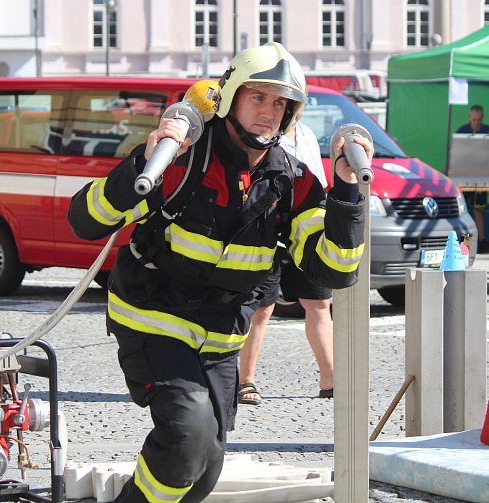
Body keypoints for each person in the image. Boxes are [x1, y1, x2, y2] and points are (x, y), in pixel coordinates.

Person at [68, 42, 370, 503]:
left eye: (281, 102)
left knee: (205, 464)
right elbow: (86, 220)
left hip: (222, 338)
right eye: (259, 97)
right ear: (230, 97)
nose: (270, 112)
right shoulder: (182, 159)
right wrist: (141, 163)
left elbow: (333, 270)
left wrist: (347, 191)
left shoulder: (294, 180)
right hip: (155, 321)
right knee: (187, 437)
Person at [237, 120, 334, 406]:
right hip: (269, 224)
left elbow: (319, 180)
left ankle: (330, 379)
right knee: (262, 308)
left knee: (319, 303)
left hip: (306, 224)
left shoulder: (305, 132)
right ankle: (246, 380)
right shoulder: (259, 130)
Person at [456, 105, 489, 251]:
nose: (476, 122)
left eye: (479, 120)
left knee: (478, 210)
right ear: (470, 117)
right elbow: (456, 154)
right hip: (464, 177)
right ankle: (466, 242)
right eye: (474, 119)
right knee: (464, 211)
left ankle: (481, 242)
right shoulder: (462, 131)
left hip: (482, 178)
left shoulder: (487, 131)